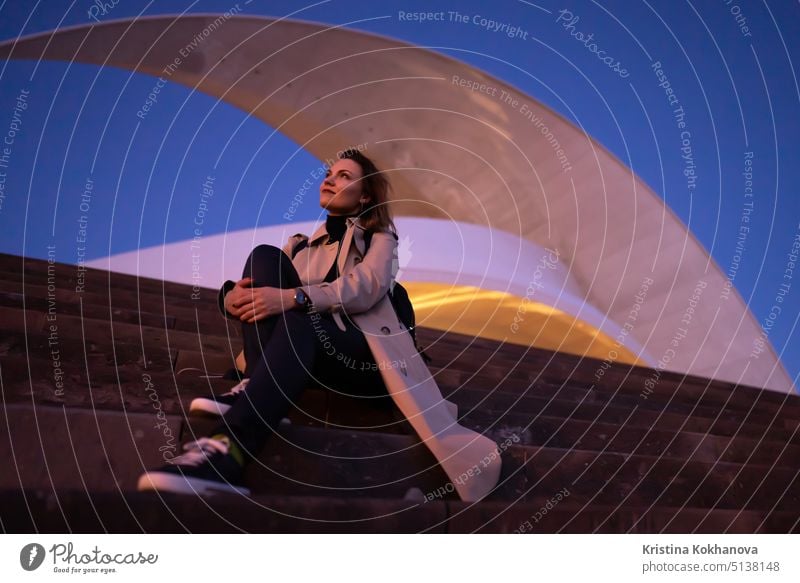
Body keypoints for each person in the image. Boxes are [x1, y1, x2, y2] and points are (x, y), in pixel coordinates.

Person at [137, 149, 502, 502]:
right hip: (302, 349)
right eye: (329, 174)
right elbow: (267, 298)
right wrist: (229, 298)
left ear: (364, 197)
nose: (330, 180)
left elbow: (367, 288)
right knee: (265, 257)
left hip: (363, 357)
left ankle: (227, 448)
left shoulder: (380, 238)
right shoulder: (298, 248)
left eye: (345, 176)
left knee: (299, 319)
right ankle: (258, 386)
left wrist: (297, 297)